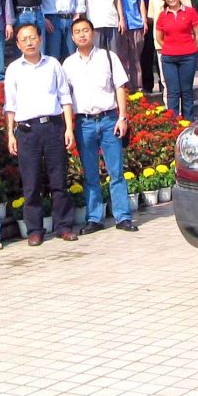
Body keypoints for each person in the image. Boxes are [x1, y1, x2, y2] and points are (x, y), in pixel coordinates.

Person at [63, 18, 138, 234]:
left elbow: (120, 87)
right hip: (84, 123)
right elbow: (65, 97)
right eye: (77, 32)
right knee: (90, 173)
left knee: (116, 171)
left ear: (93, 33)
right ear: (72, 36)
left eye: (85, 30)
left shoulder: (108, 56)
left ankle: (122, 216)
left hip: (108, 120)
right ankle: (94, 218)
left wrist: (122, 117)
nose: (82, 35)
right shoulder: (68, 64)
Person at [3, 23, 76, 245]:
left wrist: (69, 128)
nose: (29, 42)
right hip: (26, 131)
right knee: (31, 182)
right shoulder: (13, 69)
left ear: (40, 39)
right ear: (17, 44)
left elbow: (65, 98)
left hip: (53, 128)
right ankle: (35, 229)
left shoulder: (53, 64)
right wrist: (10, 135)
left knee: (58, 180)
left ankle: (63, 226)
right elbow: (10, 106)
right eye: (24, 39)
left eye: (32, 37)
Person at [155, 0, 198, 120]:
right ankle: (173, 125)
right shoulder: (162, 15)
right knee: (173, 92)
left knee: (186, 91)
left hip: (188, 56)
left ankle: (188, 123)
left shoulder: (190, 12)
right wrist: (170, 47)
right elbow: (159, 37)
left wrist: (191, 47)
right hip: (169, 58)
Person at [146, 0, 192, 99]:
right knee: (167, 81)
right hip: (162, 45)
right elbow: (152, 18)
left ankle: (185, 114)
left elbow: (190, 16)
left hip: (182, 45)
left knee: (184, 81)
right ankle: (172, 114)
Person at [112, 0, 148, 90]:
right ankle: (124, 89)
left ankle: (137, 89)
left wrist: (144, 20)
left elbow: (141, 1)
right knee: (121, 58)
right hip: (119, 25)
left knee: (135, 59)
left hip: (135, 23)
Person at [136, 0, 163, 93]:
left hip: (163, 20)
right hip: (147, 20)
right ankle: (147, 86)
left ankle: (164, 83)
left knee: (162, 52)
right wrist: (143, 18)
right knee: (146, 54)